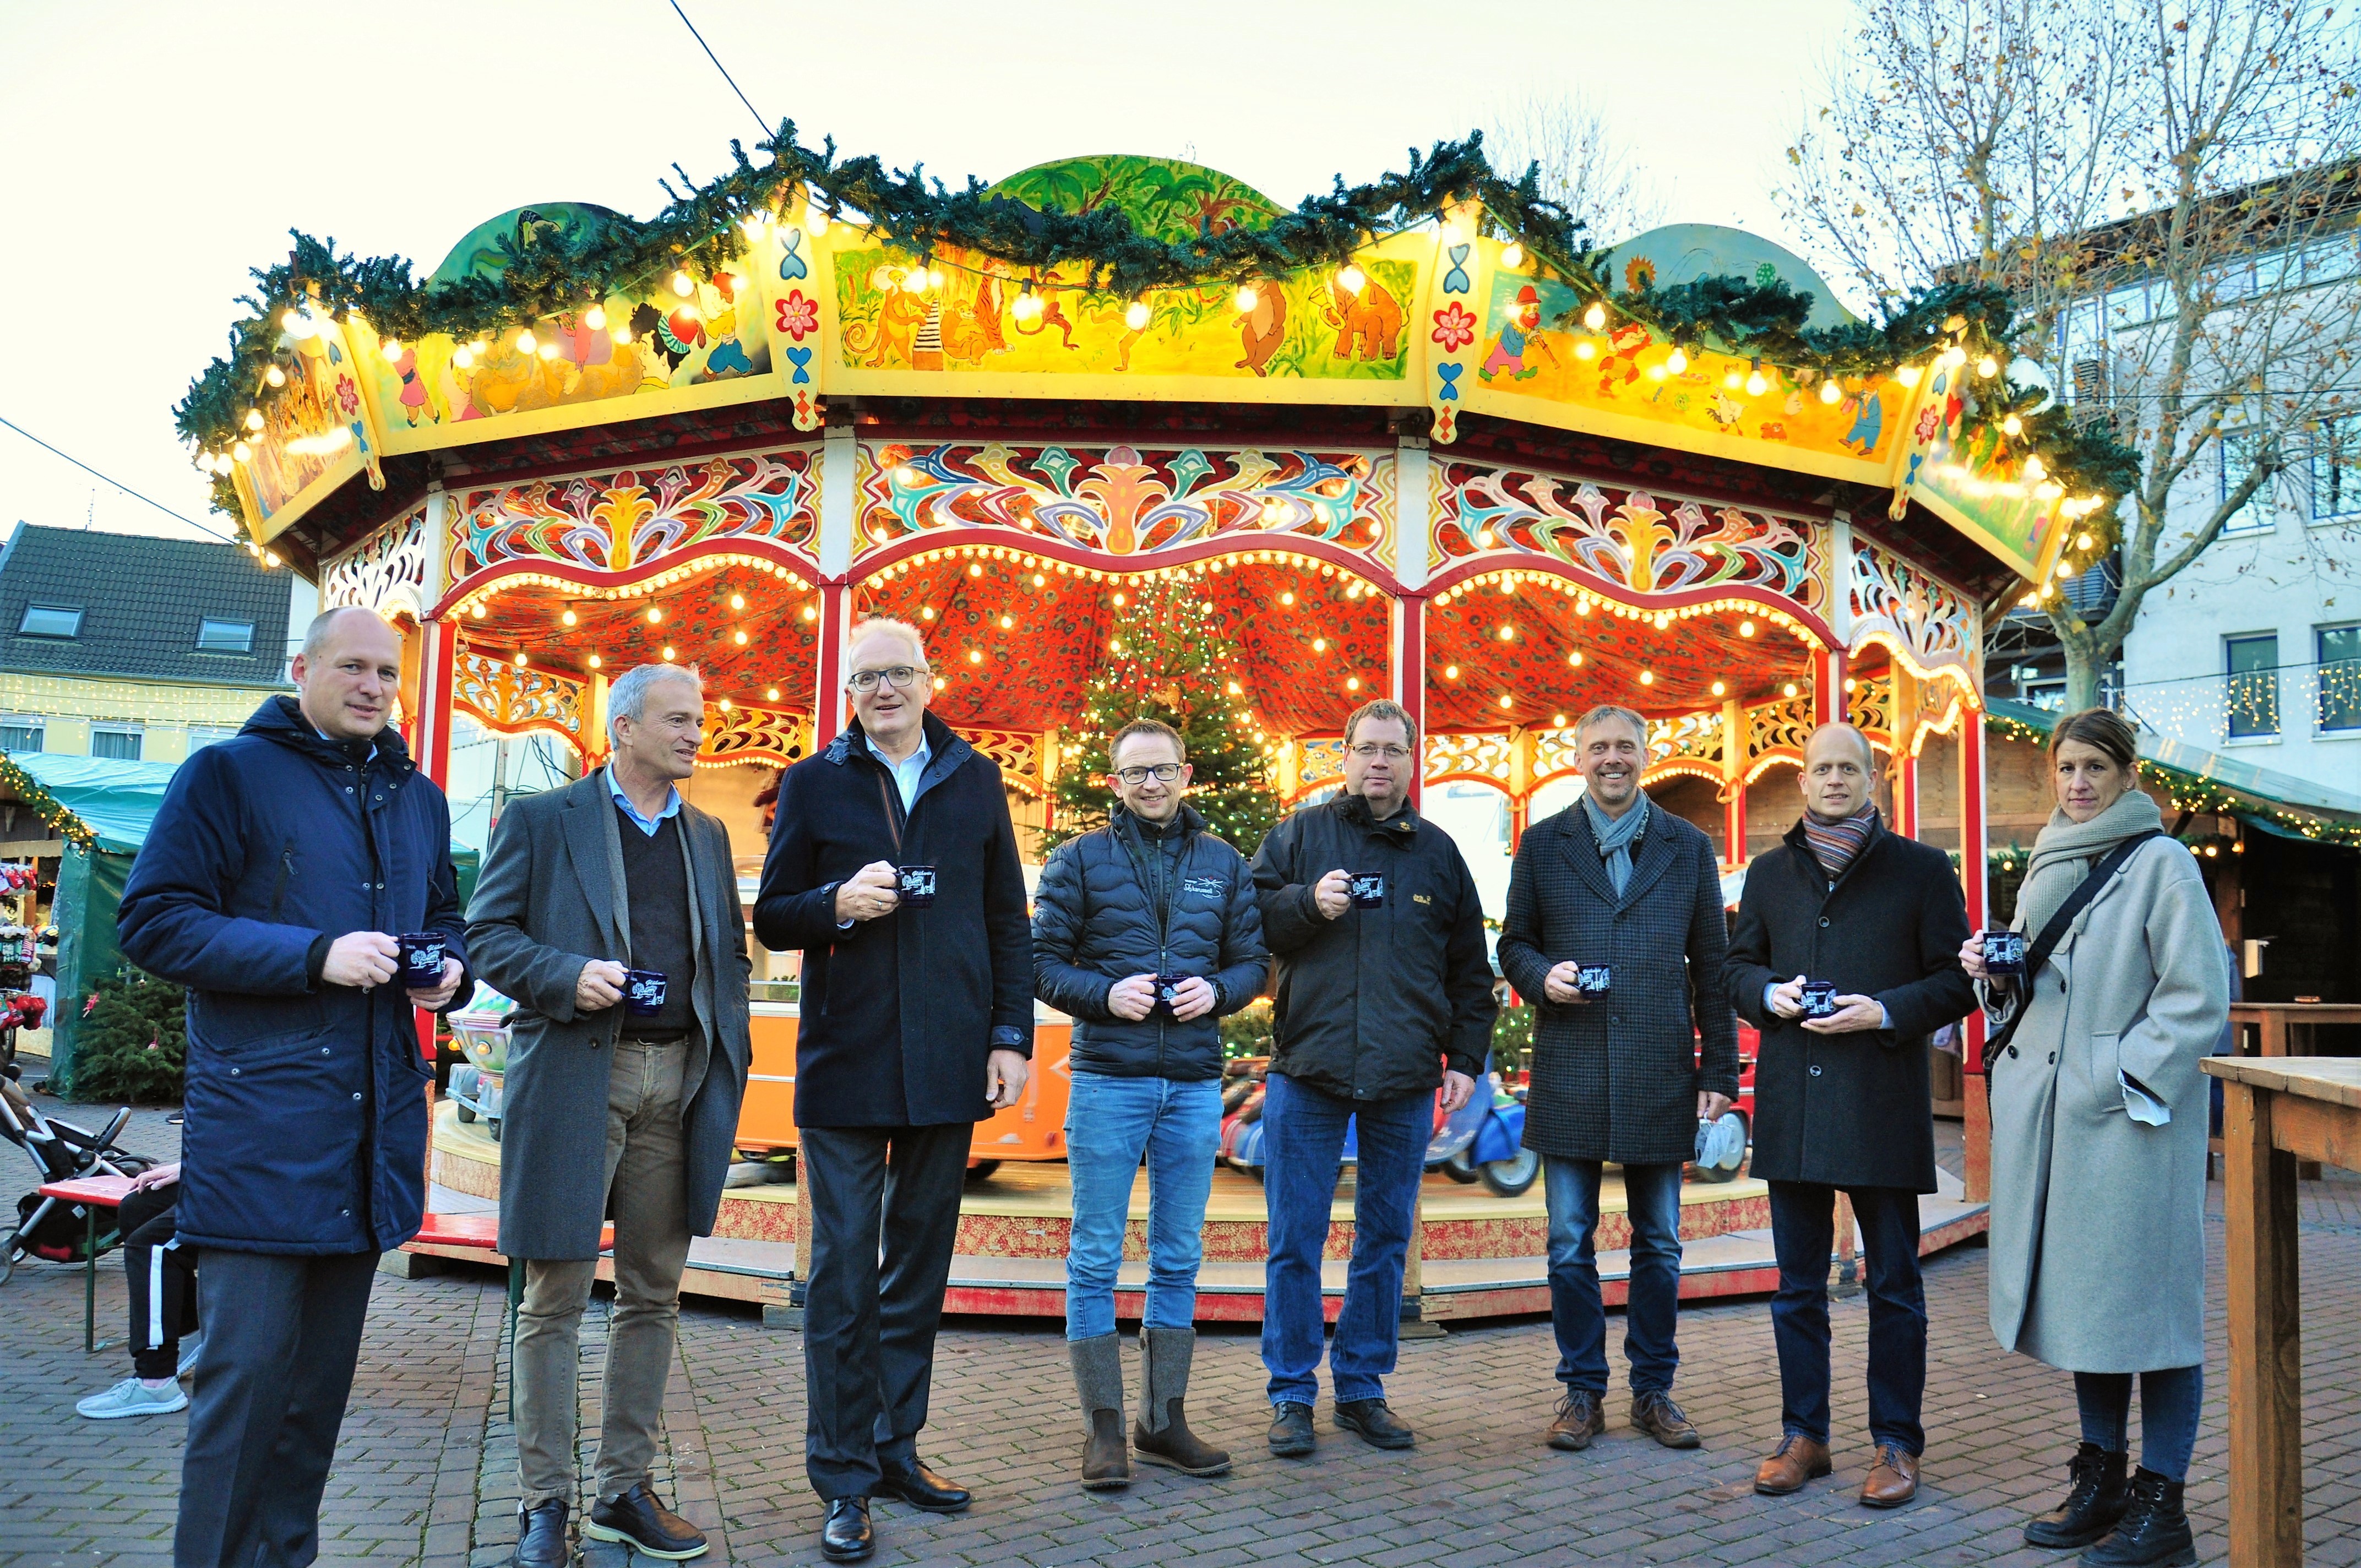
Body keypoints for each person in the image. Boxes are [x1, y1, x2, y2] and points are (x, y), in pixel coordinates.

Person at [116, 606, 469, 1568]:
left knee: (313, 1403)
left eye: (387, 673)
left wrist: (448, 970)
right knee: (244, 1392)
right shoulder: (227, 774)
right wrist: (314, 955)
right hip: (264, 1133)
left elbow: (443, 917)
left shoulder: (416, 795)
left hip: (367, 1140)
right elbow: (153, 921)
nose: (372, 686)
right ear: (302, 667)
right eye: (352, 666)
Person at [754, 618, 1032, 1564]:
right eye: (866, 675)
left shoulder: (975, 776)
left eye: (898, 673)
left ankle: (893, 1445)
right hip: (847, 1060)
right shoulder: (813, 780)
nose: (883, 689)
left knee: (917, 1268)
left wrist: (1008, 1036)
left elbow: (1007, 918)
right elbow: (773, 912)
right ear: (848, 689)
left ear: (928, 678)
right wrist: (835, 903)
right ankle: (840, 1477)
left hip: (950, 1060)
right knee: (840, 1274)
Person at [465, 662, 752, 1567]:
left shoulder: (706, 834)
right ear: (623, 726)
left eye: (699, 718)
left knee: (653, 1293)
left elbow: (728, 959)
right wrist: (564, 975)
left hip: (680, 1080)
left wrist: (725, 1050)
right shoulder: (544, 819)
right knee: (551, 1296)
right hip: (579, 1075)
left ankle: (623, 1490)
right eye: (678, 718)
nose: (696, 733)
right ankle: (543, 1501)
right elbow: (486, 935)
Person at [1962, 707, 2227, 1567]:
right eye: (2066, 768)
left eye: (2095, 770)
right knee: (2092, 1306)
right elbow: (2035, 996)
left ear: (2128, 777)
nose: (2078, 784)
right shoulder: (2045, 862)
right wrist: (1997, 976)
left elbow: (2196, 1000)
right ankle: (2102, 1478)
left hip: (2131, 1126)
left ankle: (2165, 1506)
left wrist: (2114, 1077)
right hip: (2055, 1126)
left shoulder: (2164, 864)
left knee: (2153, 1312)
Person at [1724, 722, 1974, 1507]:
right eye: (1821, 768)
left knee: (1896, 1285)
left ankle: (1897, 1444)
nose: (1834, 779)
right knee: (1796, 1286)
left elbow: (1956, 978)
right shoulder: (1768, 873)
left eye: (1848, 768)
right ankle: (1806, 1436)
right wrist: (1770, 994)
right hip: (1796, 1101)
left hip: (1880, 1102)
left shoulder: (1923, 871)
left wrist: (1885, 1011)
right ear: (1802, 780)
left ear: (1875, 776)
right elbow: (1737, 968)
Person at [1248, 697, 1494, 1456]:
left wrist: (1468, 1062)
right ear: (1345, 757)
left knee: (1385, 1237)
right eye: (1367, 749)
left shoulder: (1440, 855)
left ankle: (1362, 1386)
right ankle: (1292, 1392)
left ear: (1411, 761)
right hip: (1308, 1071)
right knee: (1296, 1236)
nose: (1380, 762)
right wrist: (1304, 904)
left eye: (1394, 750)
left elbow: (1469, 972)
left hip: (1403, 1078)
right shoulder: (1298, 836)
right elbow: (1249, 921)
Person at [1032, 718, 1269, 1490]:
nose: (1152, 785)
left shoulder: (1223, 863)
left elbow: (1252, 962)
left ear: (1187, 774)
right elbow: (1038, 961)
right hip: (1109, 1079)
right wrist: (1104, 993)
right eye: (1136, 774)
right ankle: (1104, 1430)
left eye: (1164, 771)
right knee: (1096, 1254)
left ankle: (1163, 1418)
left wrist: (1222, 991)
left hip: (1196, 1083)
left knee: (1179, 1253)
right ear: (1114, 783)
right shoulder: (1079, 860)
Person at [1497, 704, 1738, 1456]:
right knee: (1570, 1242)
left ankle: (1655, 1390)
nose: (1612, 758)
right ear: (1578, 755)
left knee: (1659, 1243)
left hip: (1659, 1069)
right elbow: (1514, 944)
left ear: (1645, 754)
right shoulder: (1542, 845)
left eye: (1624, 747)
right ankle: (1582, 1391)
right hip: (1571, 1067)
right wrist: (1543, 978)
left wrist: (1719, 1069)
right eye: (1598, 746)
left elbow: (1714, 969)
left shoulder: (1688, 846)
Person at [74, 1161, 200, 1419]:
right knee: (137, 1207)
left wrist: (198, 1167)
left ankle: (156, 1381)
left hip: (263, 1187)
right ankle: (190, 1331)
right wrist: (186, 1166)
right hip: (231, 1174)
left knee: (151, 1246)